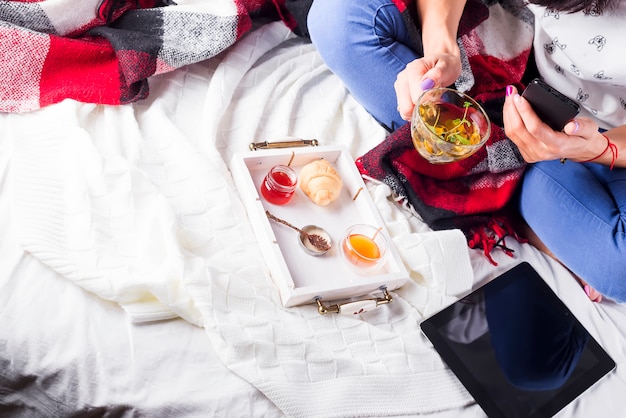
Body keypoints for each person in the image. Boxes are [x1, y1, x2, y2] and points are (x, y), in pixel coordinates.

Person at [306, 0, 626, 303]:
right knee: (339, 18)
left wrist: (601, 149)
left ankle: (505, 181)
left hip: (606, 136)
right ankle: (511, 183)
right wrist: (442, 50)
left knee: (619, 267)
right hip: (511, 35)